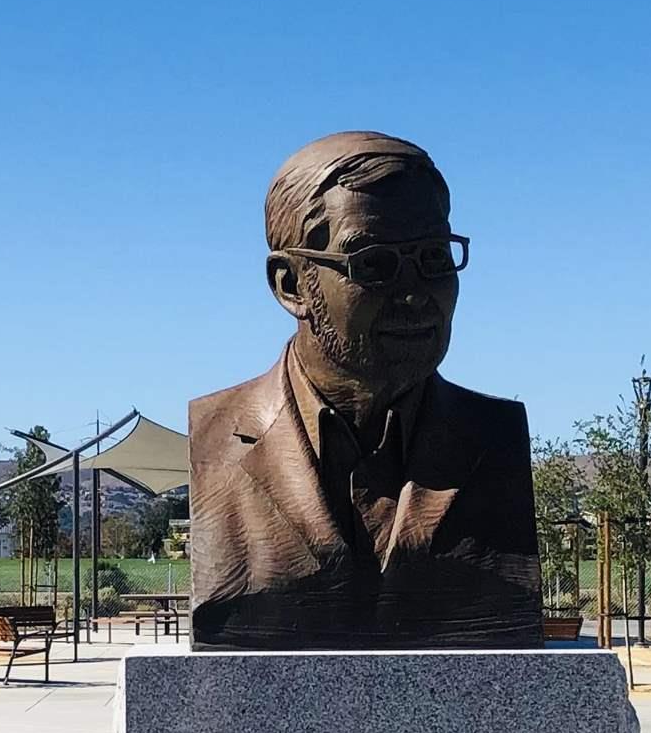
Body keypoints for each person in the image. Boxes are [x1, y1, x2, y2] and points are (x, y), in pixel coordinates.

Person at [187, 132, 542, 650]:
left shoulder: (495, 437)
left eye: (434, 257)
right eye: (373, 264)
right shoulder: (216, 437)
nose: (414, 294)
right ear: (290, 285)